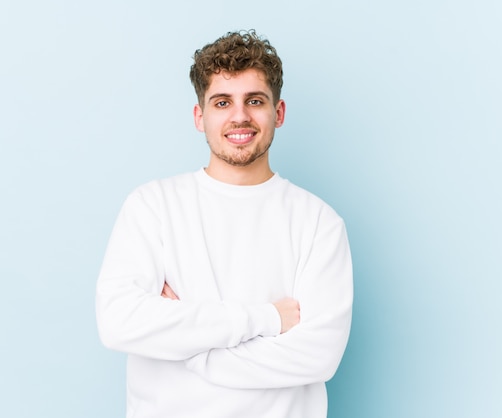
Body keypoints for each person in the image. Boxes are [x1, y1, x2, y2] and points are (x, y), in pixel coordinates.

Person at [96, 30, 353, 418]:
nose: (239, 116)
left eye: (254, 100)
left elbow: (318, 356)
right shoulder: (152, 206)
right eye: (222, 102)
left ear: (278, 113)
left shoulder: (319, 223)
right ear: (200, 116)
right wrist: (266, 318)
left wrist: (195, 351)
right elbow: (119, 322)